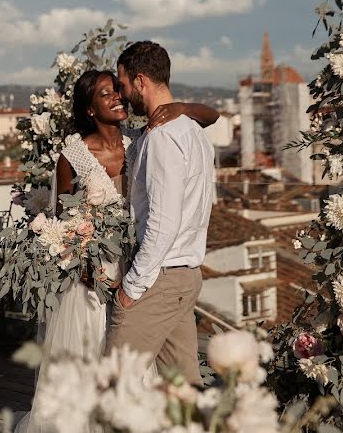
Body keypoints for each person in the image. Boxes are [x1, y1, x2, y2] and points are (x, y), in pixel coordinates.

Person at [15, 68, 218, 433]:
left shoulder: (140, 139)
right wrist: (85, 262)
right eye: (106, 94)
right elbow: (63, 224)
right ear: (90, 110)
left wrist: (180, 108)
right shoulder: (72, 156)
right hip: (92, 280)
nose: (117, 98)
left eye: (117, 91)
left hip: (138, 270)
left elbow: (211, 117)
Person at [109, 41, 216, 387]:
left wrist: (132, 286)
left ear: (141, 81)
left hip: (159, 278)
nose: (123, 95)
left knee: (111, 387)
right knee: (183, 391)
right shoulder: (193, 132)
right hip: (185, 276)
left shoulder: (163, 137)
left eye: (123, 85)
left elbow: (163, 222)